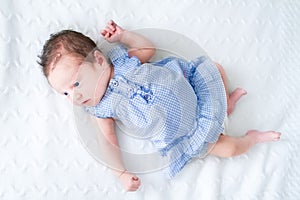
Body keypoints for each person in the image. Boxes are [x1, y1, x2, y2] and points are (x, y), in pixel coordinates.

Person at [38, 20, 281, 192]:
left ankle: (224, 106)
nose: (75, 97)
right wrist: (121, 174)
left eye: (76, 83)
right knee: (230, 149)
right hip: (187, 133)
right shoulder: (101, 110)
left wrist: (123, 36)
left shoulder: (123, 62)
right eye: (65, 93)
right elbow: (108, 145)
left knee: (215, 69)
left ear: (99, 60)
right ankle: (252, 138)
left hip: (192, 88)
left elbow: (148, 49)